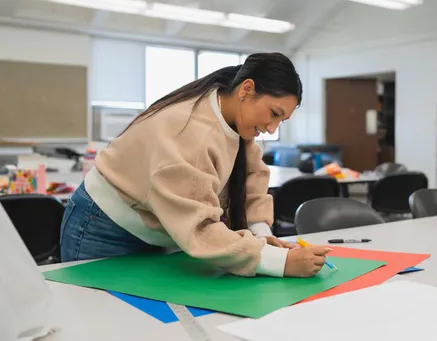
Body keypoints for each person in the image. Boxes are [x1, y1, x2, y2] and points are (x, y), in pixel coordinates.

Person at [60, 52, 331, 278]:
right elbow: (198, 228)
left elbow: (251, 180)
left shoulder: (235, 119)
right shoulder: (188, 131)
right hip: (103, 226)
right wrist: (278, 262)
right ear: (246, 89)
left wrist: (261, 235)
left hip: (163, 232)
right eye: (273, 114)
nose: (272, 129)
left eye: (281, 121)